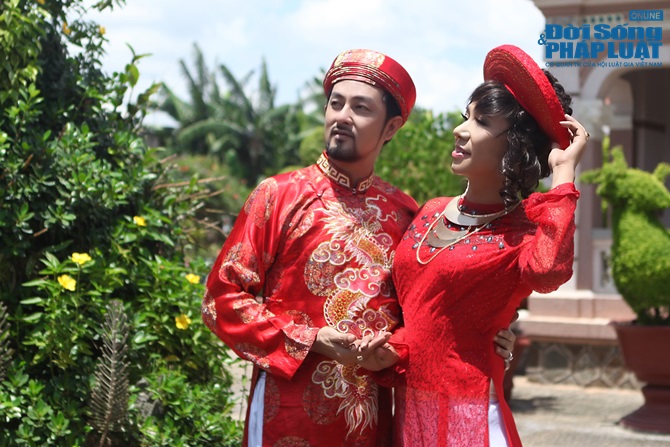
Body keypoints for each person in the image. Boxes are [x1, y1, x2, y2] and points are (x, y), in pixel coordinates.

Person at [201, 48, 516, 447]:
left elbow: (427, 311)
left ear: (391, 127)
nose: (342, 116)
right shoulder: (279, 196)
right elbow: (221, 300)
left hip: (373, 420)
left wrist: (486, 333)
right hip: (288, 414)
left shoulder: (406, 213)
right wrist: (310, 339)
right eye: (336, 104)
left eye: (361, 108)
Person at [364, 44, 590, 446]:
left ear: (514, 145)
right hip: (411, 412)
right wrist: (392, 349)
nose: (461, 130)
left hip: (470, 417)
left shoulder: (522, 231)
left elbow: (547, 272)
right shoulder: (430, 210)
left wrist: (564, 172)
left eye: (481, 121)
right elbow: (423, 313)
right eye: (465, 117)